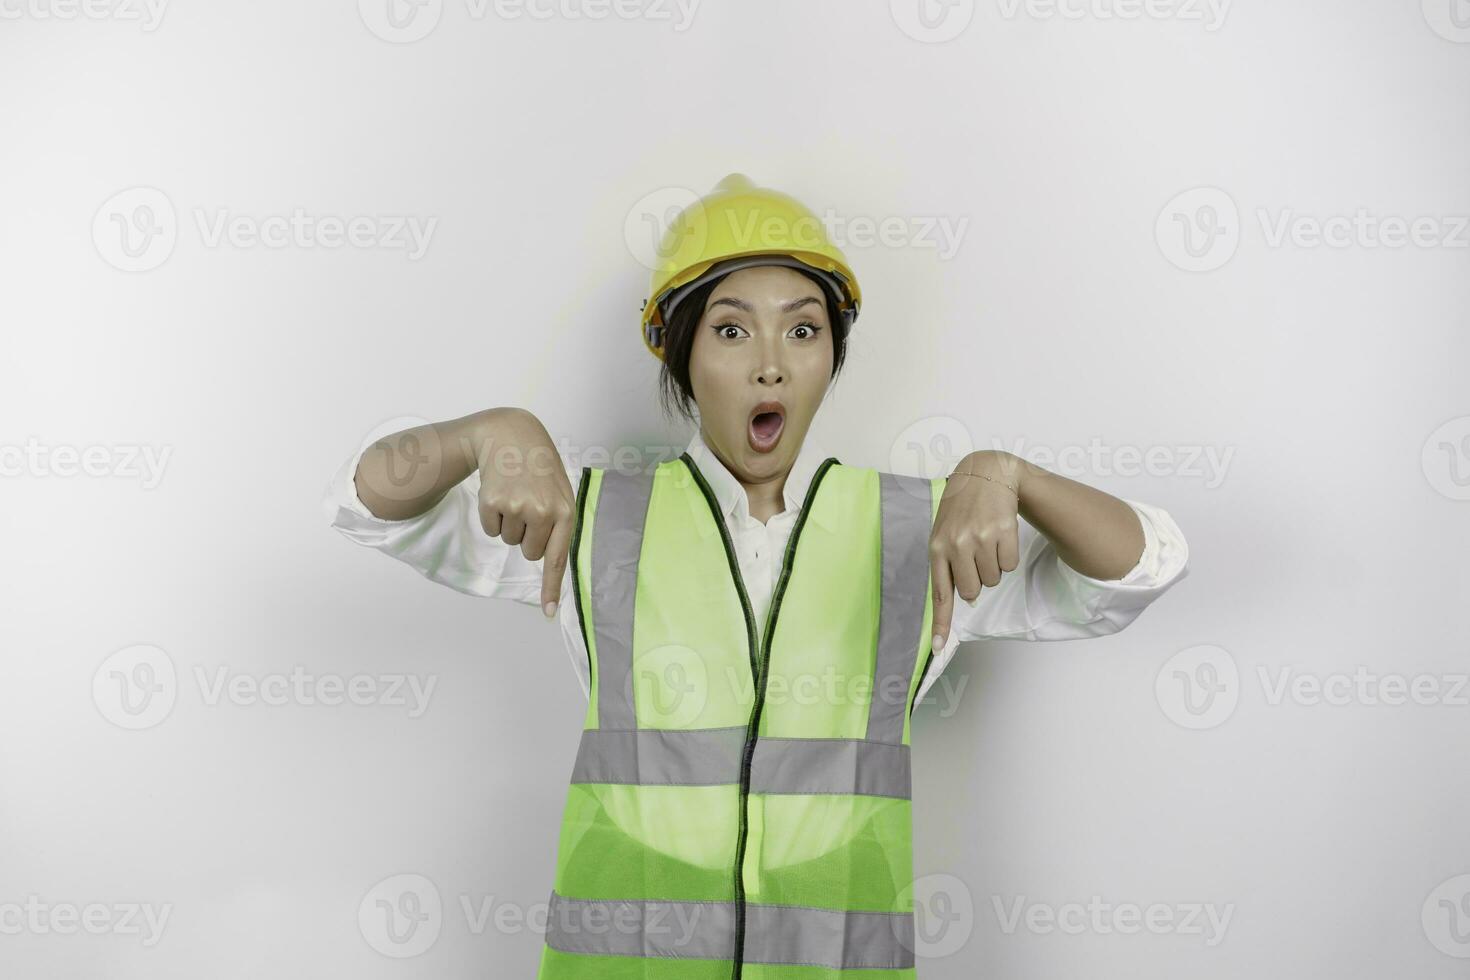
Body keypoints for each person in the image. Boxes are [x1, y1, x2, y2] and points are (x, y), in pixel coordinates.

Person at [322, 174, 1189, 977]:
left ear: (830, 357)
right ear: (683, 355)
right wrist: (491, 431)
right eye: (732, 329)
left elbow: (1144, 564)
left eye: (803, 329)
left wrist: (1009, 474)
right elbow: (369, 498)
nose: (770, 362)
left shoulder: (920, 534)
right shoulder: (588, 523)